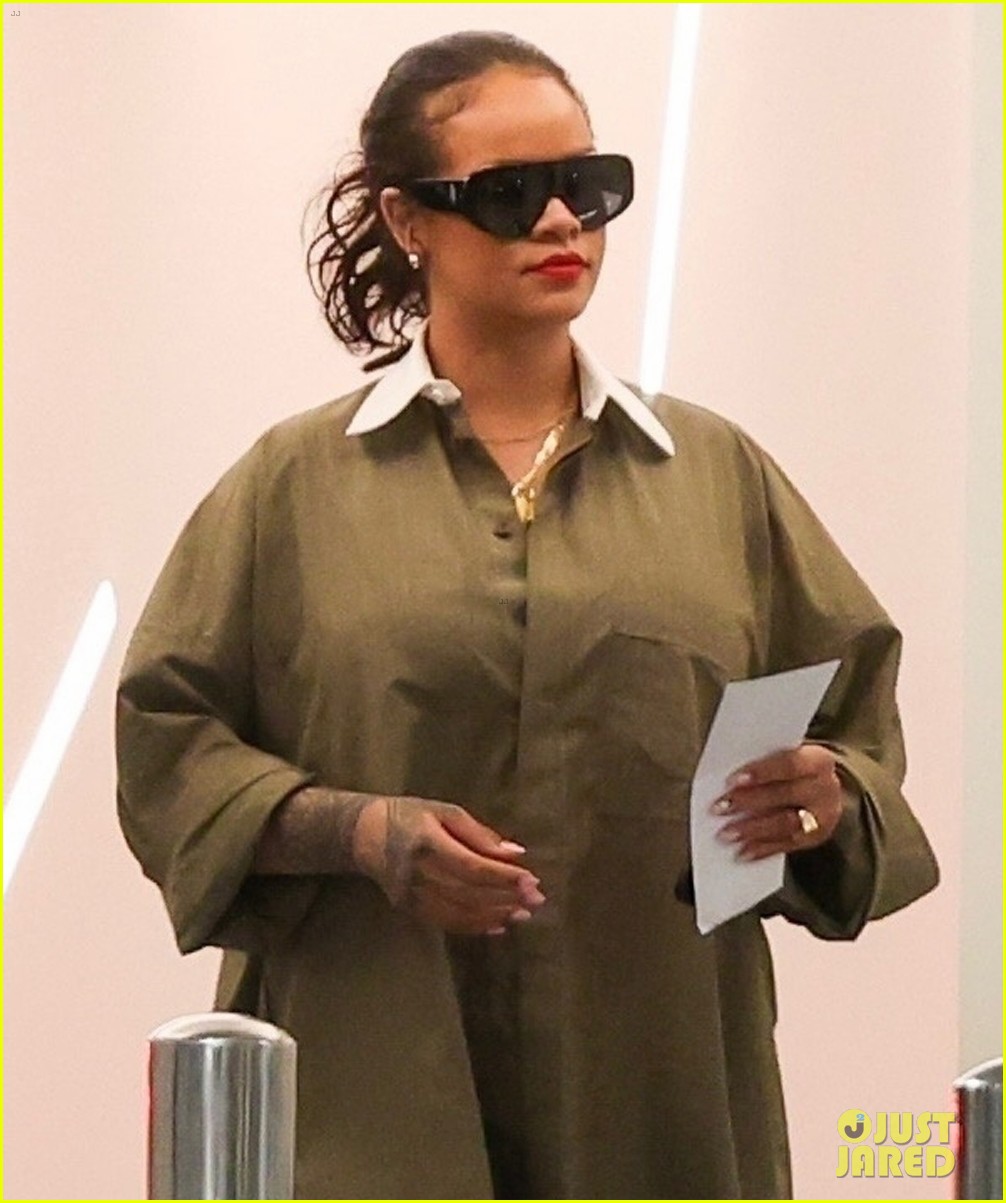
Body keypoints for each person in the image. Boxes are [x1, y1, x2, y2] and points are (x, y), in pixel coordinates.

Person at [116, 30, 939, 1200]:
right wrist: (355, 833)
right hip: (371, 1091)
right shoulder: (290, 489)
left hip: (659, 1094)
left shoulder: (717, 478)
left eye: (588, 186)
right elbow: (168, 744)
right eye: (509, 193)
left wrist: (825, 797)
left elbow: (856, 734)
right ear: (409, 219)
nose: (561, 222)